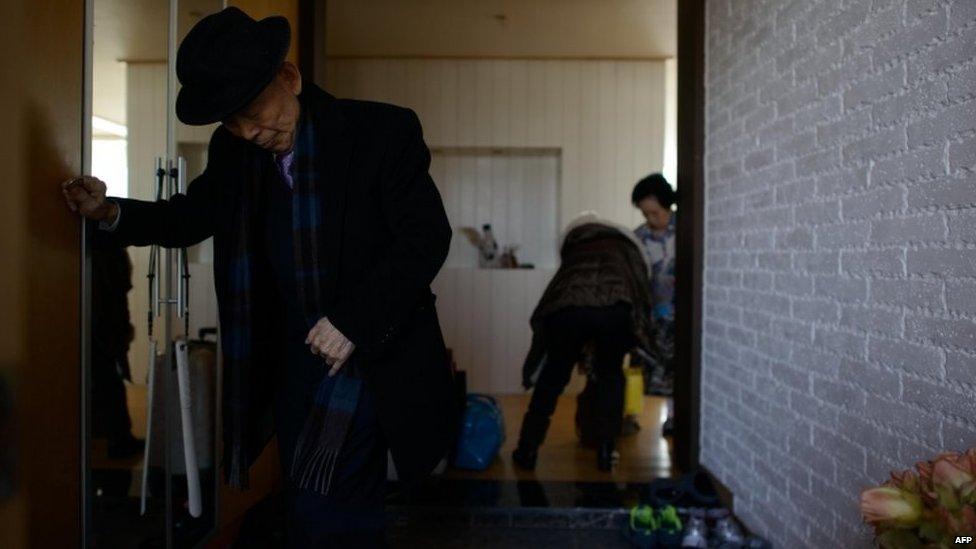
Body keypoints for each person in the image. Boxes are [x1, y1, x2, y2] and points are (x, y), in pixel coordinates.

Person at [63, 8, 457, 547]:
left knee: (332, 508)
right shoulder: (236, 152)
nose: (249, 131)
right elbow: (191, 216)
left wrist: (351, 321)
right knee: (310, 500)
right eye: (232, 121)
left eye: (254, 110)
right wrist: (110, 213)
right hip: (294, 361)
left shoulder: (380, 131)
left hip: (372, 357)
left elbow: (425, 239)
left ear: (289, 78)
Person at [515, 213, 654, 472]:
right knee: (610, 375)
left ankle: (527, 448)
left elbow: (558, 290)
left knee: (552, 378)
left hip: (569, 309)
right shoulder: (626, 248)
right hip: (614, 308)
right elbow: (641, 287)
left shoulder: (576, 248)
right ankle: (605, 451)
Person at [631, 173, 677, 436]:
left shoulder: (686, 230)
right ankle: (630, 415)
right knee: (640, 368)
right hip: (649, 315)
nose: (650, 219)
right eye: (645, 213)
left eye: (655, 212)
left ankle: (673, 418)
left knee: (676, 370)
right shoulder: (638, 237)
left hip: (679, 316)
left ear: (667, 205)